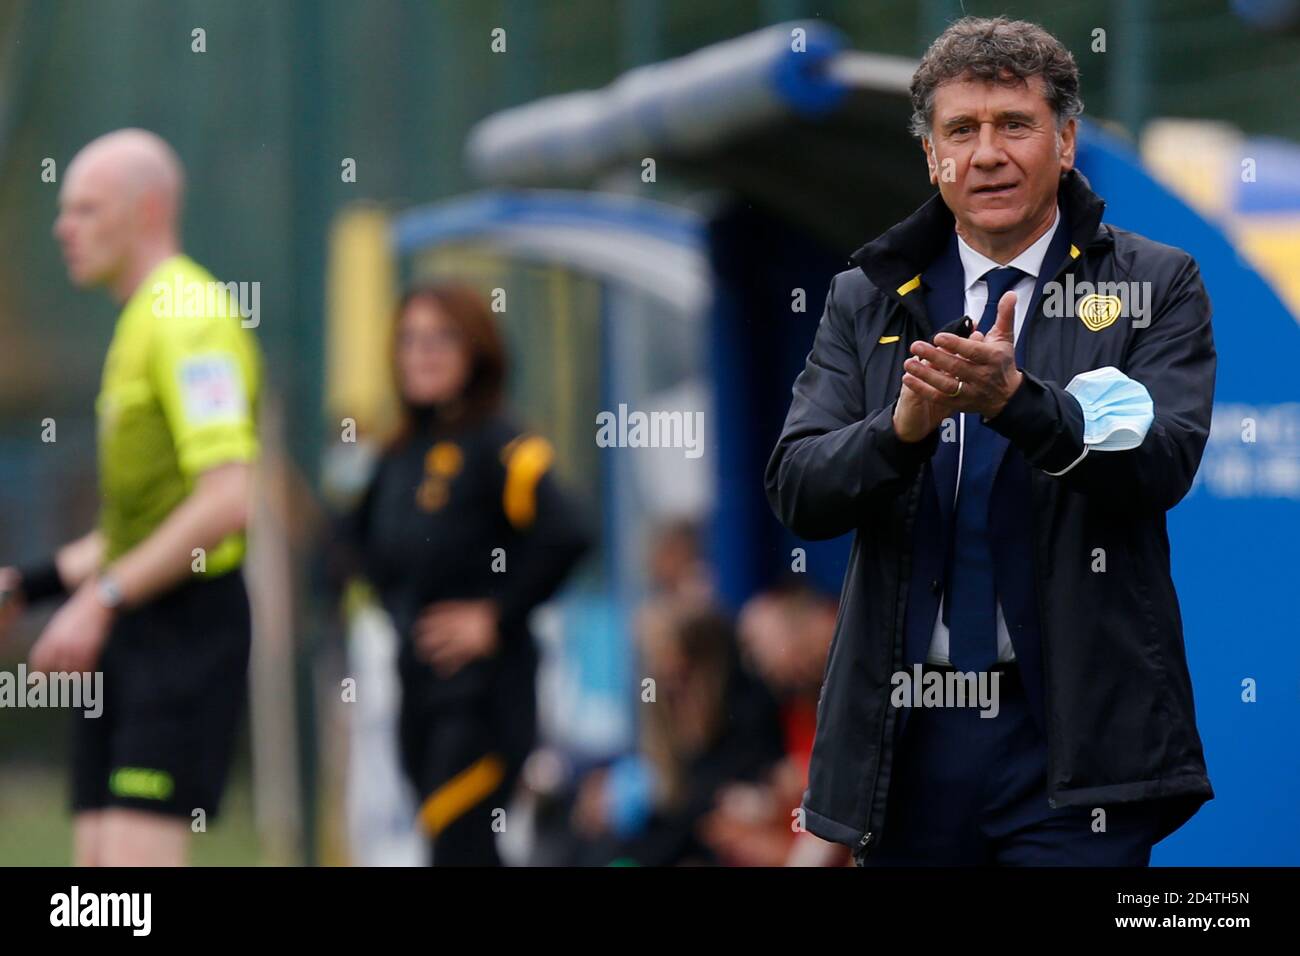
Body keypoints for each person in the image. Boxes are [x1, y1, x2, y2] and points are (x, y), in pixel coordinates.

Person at [766, 17, 1216, 866]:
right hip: (910, 741)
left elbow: (1159, 466)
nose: (988, 153)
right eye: (960, 131)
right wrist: (900, 431)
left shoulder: (1156, 283)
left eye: (1015, 125)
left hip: (1070, 744)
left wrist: (1015, 402)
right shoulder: (864, 297)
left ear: (1067, 141)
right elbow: (797, 486)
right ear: (932, 156)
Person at [0, 129, 261, 866]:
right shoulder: (139, 320)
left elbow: (227, 502)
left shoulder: (192, 320)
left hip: (184, 632)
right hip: (131, 628)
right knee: (94, 889)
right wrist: (35, 584)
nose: (63, 228)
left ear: (147, 210)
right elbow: (136, 529)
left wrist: (102, 598)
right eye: (62, 210)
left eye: (86, 209)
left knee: (129, 894)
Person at [336, 283, 590, 866]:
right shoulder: (397, 453)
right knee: (448, 846)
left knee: (460, 842)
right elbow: (353, 546)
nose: (421, 353)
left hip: (484, 696)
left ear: (476, 349)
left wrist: (494, 617)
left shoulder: (503, 444)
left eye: (440, 338)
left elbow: (569, 533)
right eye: (409, 340)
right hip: (416, 692)